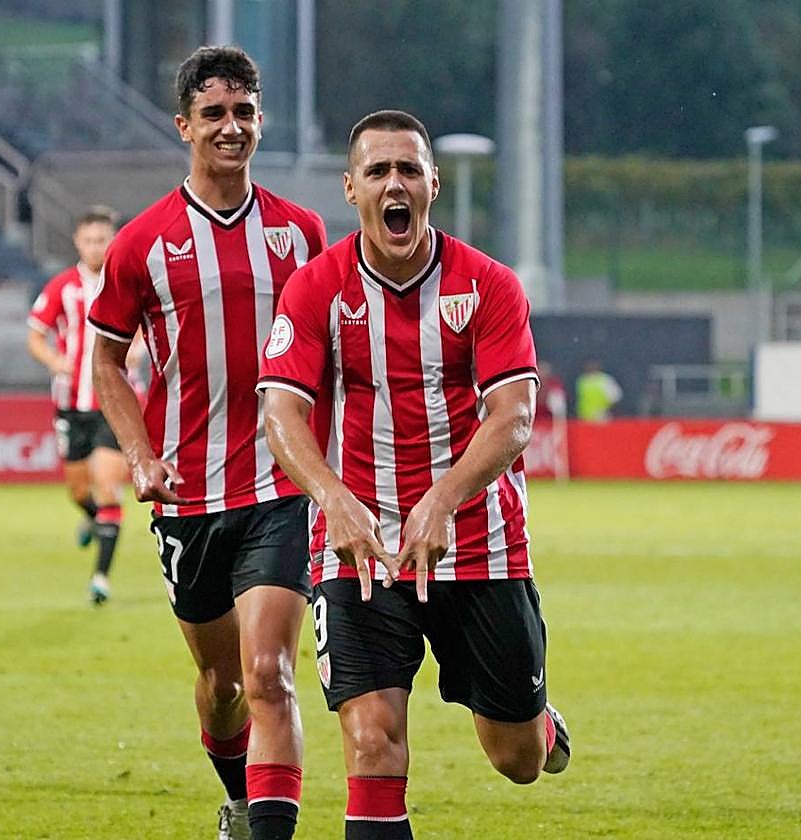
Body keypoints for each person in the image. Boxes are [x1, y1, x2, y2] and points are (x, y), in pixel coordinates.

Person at [257, 110, 571, 839]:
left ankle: (540, 725)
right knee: (372, 743)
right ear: (351, 189)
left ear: (433, 182)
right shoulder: (315, 289)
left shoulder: (488, 285)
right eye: (377, 171)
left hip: (480, 545)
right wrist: (332, 497)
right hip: (360, 549)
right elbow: (280, 412)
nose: (393, 184)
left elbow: (514, 416)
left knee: (514, 758)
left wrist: (444, 499)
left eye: (408, 170)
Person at [89, 46, 327, 840]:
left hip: (281, 487)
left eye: (245, 112)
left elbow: (334, 349)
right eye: (215, 115)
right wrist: (139, 453)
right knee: (220, 683)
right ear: (184, 125)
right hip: (188, 496)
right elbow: (106, 359)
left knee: (270, 674)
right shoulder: (142, 243)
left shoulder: (302, 233)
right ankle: (237, 792)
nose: (232, 128)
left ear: (261, 121)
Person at [27, 206, 133, 604]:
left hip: (116, 402)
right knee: (77, 489)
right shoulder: (62, 287)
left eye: (102, 240)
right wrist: (55, 361)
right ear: (77, 242)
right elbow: (35, 334)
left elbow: (149, 327)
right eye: (89, 240)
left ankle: (101, 578)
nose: (95, 247)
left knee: (108, 485)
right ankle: (93, 520)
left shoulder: (126, 282)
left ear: (112, 240)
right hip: (72, 403)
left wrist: (137, 348)